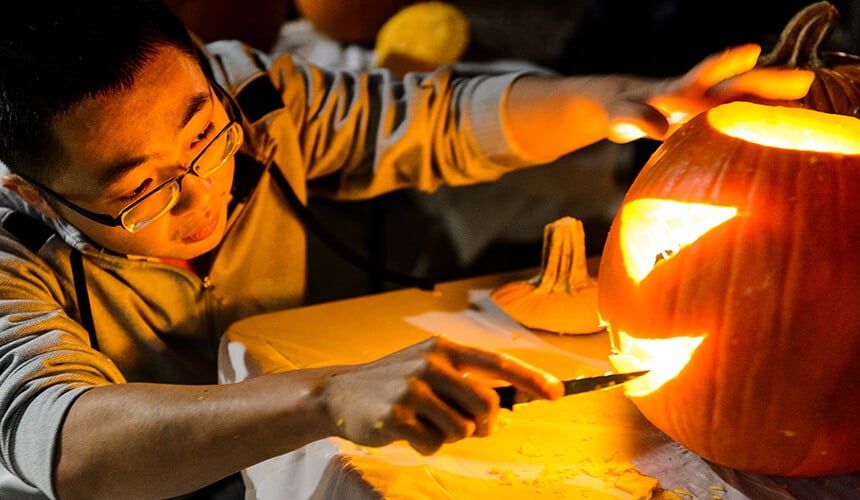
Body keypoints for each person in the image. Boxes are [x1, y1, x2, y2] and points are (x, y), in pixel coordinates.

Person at [0, 1, 812, 498]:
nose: (202, 191)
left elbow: (432, 118)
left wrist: (621, 101)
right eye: (142, 190)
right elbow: (68, 445)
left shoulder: (251, 96)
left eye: (205, 135)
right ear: (35, 192)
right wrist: (327, 396)